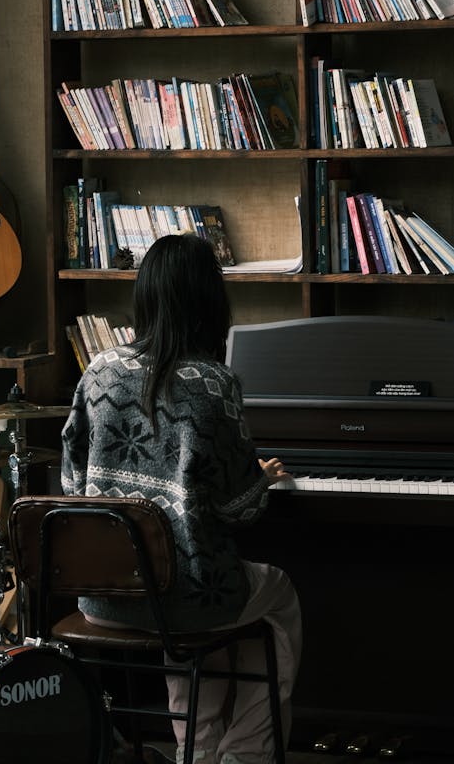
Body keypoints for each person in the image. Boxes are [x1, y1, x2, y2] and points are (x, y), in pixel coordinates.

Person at [61, 233, 302, 764]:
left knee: (172, 574)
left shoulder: (97, 371)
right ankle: (244, 754)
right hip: (183, 603)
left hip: (102, 597)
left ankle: (197, 749)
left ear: (144, 296)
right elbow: (237, 509)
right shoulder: (214, 384)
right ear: (209, 300)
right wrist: (260, 479)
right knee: (275, 598)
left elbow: (73, 484)